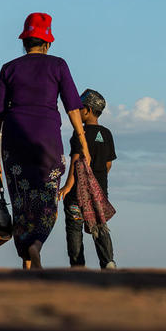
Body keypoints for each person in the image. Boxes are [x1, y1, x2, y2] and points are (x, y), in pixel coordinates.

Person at [0, 12, 90, 270]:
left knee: (21, 199)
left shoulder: (9, 68)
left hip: (14, 139)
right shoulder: (58, 65)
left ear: (25, 41)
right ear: (47, 42)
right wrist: (83, 142)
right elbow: (73, 108)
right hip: (47, 139)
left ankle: (27, 258)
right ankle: (36, 245)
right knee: (46, 198)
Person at [58, 89, 117, 269]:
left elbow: (77, 160)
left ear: (88, 110)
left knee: (75, 228)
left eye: (80, 108)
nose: (77, 111)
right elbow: (108, 164)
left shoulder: (80, 133)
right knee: (99, 225)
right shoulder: (106, 134)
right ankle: (108, 262)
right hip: (98, 193)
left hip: (77, 193)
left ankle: (78, 265)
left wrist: (68, 186)